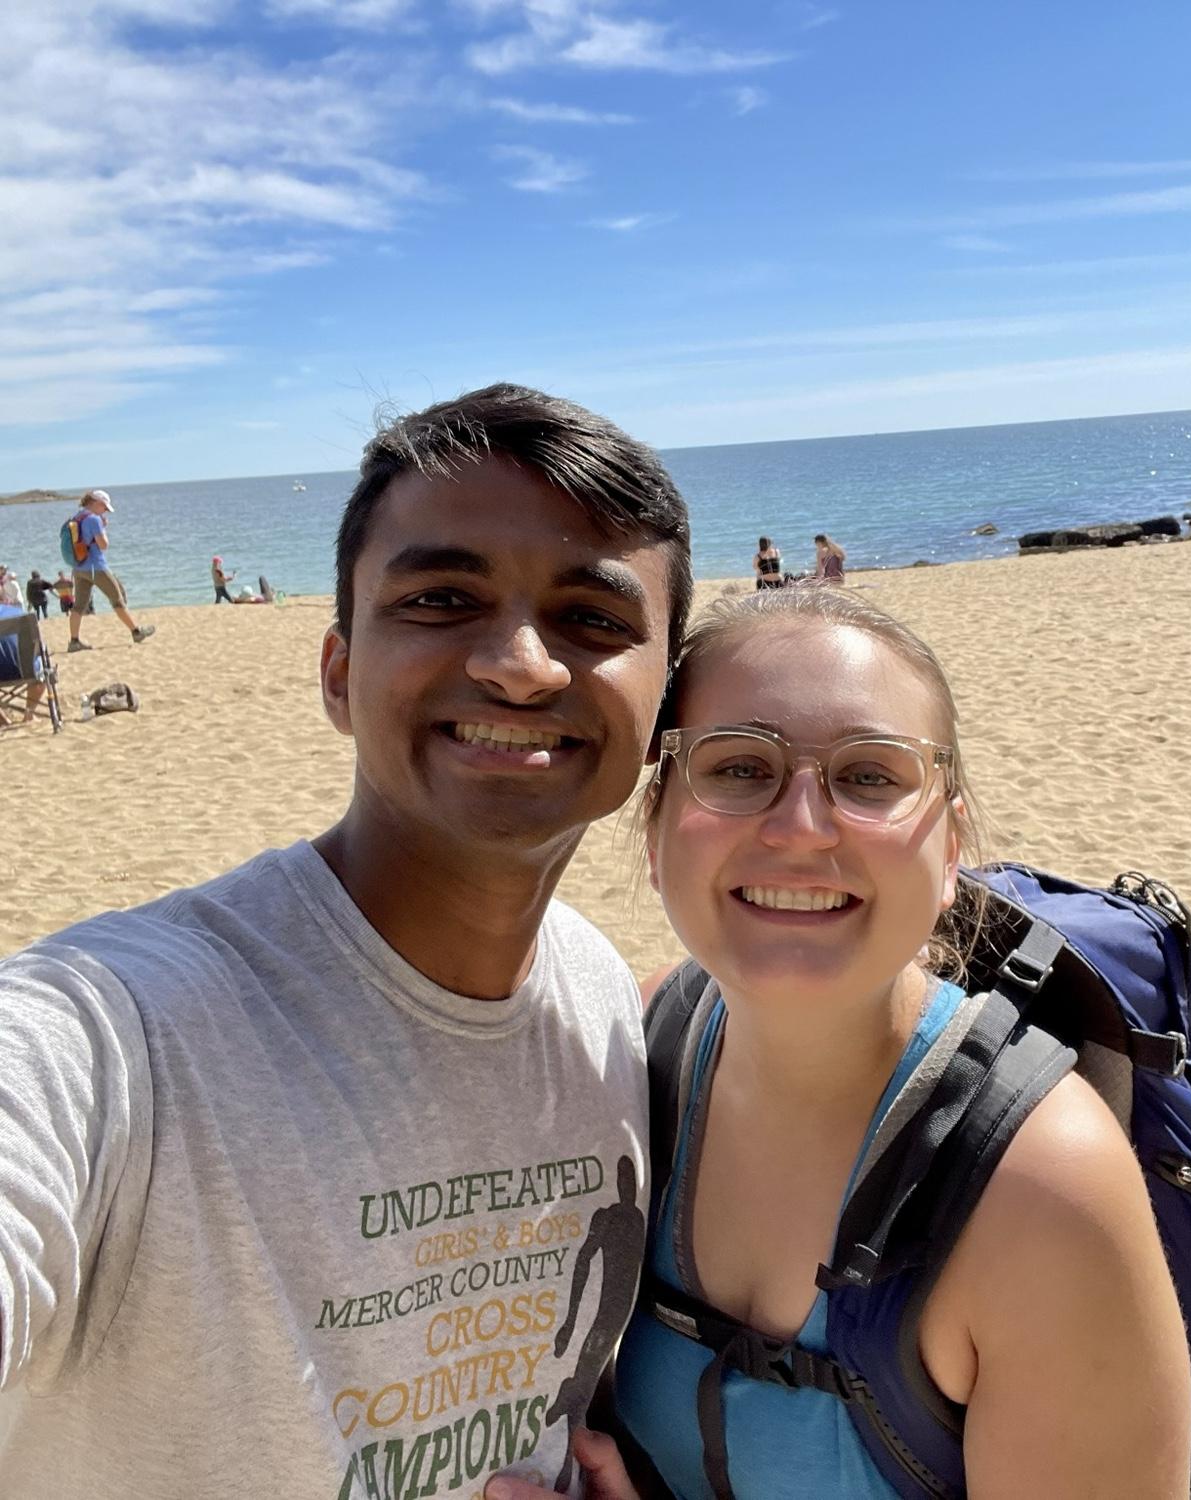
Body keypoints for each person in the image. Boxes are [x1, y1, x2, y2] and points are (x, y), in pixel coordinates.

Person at [0, 383, 694, 1497]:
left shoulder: (602, 996)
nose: (520, 662)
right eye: (441, 598)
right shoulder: (115, 1029)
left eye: (595, 618)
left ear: (664, 706)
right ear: (337, 673)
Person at [486, 588, 1191, 1500]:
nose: (800, 828)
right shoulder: (647, 1043)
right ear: (655, 833)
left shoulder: (1044, 1191)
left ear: (950, 853)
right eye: (738, 768)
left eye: (869, 776)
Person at [65, 488, 155, 652]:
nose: (105, 511)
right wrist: (103, 527)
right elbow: (103, 545)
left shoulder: (77, 517)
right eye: (104, 508)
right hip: (96, 566)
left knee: (78, 606)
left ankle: (74, 641)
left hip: (78, 567)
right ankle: (136, 632)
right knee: (117, 598)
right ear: (96, 503)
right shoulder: (93, 519)